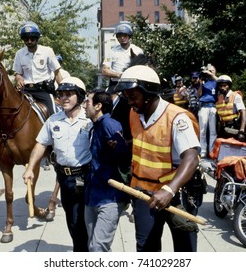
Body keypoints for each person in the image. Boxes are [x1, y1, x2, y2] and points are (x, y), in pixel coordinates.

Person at [115, 65, 201, 252]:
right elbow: (144, 141)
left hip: (177, 193)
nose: (130, 102)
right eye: (127, 97)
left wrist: (169, 190)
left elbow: (191, 157)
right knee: (147, 249)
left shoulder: (177, 118)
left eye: (133, 96)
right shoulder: (134, 113)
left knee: (185, 248)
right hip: (143, 194)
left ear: (149, 94)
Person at [22, 77, 91, 252]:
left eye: (69, 94)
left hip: (85, 177)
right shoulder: (53, 120)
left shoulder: (89, 120)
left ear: (80, 97)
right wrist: (30, 168)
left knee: (82, 219)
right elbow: (41, 144)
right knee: (72, 219)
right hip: (64, 178)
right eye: (61, 94)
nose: (64, 98)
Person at [84, 89, 130, 252]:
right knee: (93, 245)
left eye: (87, 102)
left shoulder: (109, 124)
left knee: (98, 247)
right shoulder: (94, 127)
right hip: (92, 195)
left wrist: (118, 149)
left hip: (109, 197)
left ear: (98, 106)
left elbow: (124, 155)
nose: (84, 106)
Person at [13, 22, 63, 116]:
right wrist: (19, 79)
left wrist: (63, 89)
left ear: (37, 38)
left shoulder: (47, 51)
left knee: (53, 115)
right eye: (26, 39)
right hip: (26, 91)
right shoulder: (19, 54)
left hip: (43, 91)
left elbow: (57, 72)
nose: (29, 41)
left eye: (32, 38)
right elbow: (17, 72)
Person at [101, 23, 143, 91]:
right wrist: (119, 75)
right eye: (119, 36)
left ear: (129, 36)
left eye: (125, 35)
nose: (122, 38)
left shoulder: (138, 51)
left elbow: (143, 68)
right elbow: (104, 70)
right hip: (116, 84)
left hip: (133, 83)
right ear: (117, 38)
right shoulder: (112, 52)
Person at [215, 75, 246, 141]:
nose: (222, 88)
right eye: (220, 86)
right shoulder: (219, 98)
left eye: (224, 85)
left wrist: (242, 130)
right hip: (223, 128)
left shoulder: (235, 96)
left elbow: (243, 111)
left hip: (234, 127)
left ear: (229, 86)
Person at [197, 64, 218, 158]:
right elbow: (198, 95)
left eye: (211, 70)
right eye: (208, 70)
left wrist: (210, 74)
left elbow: (219, 80)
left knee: (213, 130)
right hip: (203, 107)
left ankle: (212, 151)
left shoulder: (216, 81)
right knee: (202, 130)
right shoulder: (204, 81)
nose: (209, 72)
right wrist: (201, 84)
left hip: (212, 106)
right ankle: (203, 151)